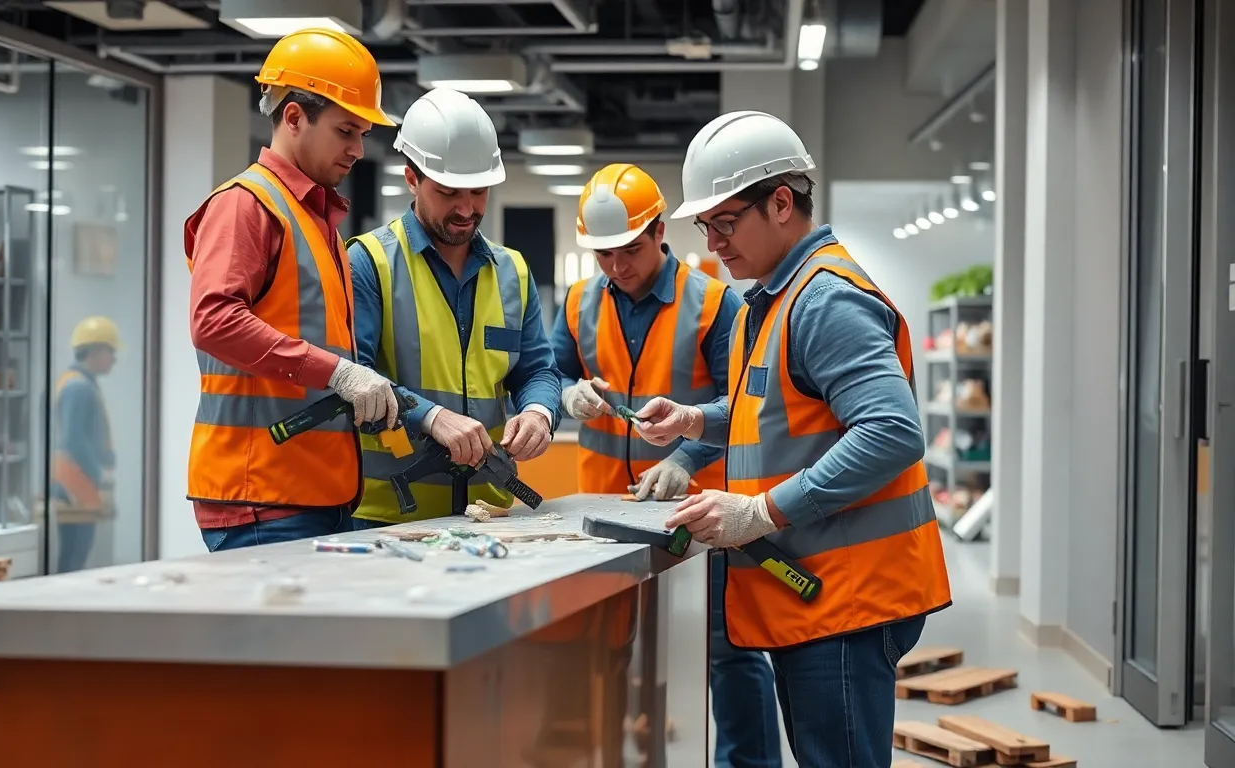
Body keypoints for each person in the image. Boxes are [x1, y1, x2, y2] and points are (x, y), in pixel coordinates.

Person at [635, 110, 953, 768]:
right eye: (706, 227)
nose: (715, 243)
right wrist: (696, 420)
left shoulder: (823, 301)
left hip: (848, 597)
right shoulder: (773, 297)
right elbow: (777, 409)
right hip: (817, 585)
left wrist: (760, 512)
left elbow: (892, 431)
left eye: (725, 223)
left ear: (781, 202)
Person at [550, 163, 782, 767]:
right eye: (603, 254)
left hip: (696, 515)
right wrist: (566, 393)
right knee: (607, 648)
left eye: (628, 250)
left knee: (724, 648)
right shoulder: (578, 301)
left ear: (658, 232)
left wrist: (683, 458)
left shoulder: (712, 304)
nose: (616, 267)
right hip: (603, 514)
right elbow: (547, 374)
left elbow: (743, 409)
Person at [184, 28, 400, 552]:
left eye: (363, 133)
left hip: (312, 492)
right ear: (295, 117)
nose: (358, 149)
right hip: (262, 497)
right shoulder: (247, 205)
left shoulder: (315, 218)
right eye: (346, 131)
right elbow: (213, 321)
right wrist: (339, 371)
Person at [347, 87, 561, 527]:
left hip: (489, 515)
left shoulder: (511, 271)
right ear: (412, 178)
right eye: (448, 193)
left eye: (479, 192)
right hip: (388, 519)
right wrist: (431, 417)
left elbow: (537, 370)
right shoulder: (369, 262)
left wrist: (539, 412)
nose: (467, 209)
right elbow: (353, 379)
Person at [50, 316, 119, 573]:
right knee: (74, 558)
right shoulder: (78, 388)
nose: (114, 358)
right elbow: (74, 440)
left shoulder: (78, 383)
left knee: (76, 557)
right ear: (97, 350)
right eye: (111, 351)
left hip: (75, 484)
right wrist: (100, 476)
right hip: (75, 486)